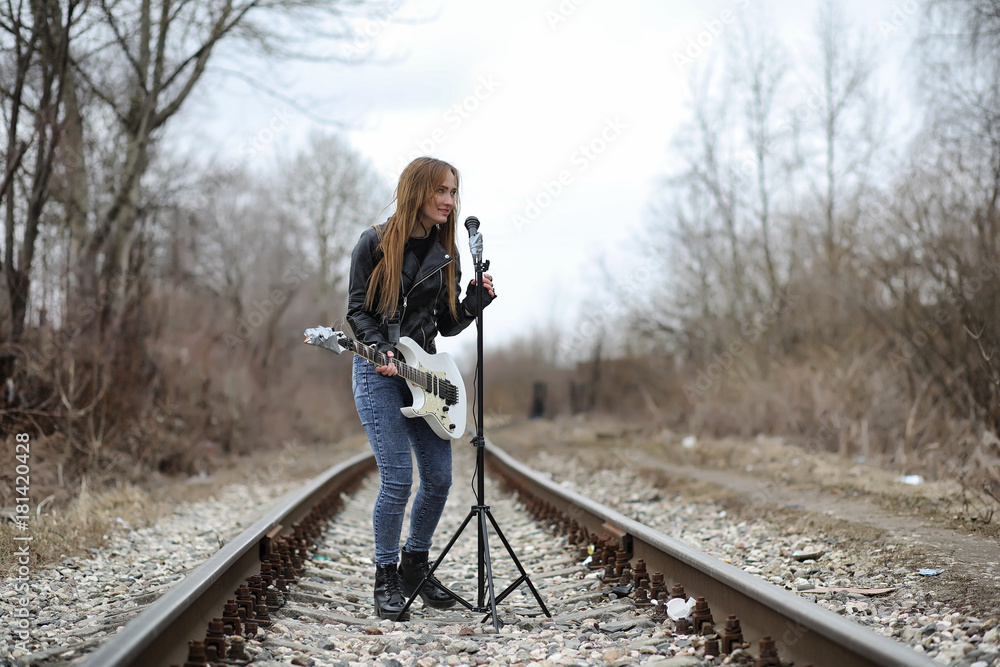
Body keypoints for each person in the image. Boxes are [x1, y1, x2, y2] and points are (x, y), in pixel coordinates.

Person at [346, 156, 495, 621]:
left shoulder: (444, 253)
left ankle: (415, 564)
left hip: (427, 376)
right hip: (379, 373)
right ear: (418, 191)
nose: (450, 201)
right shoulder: (373, 243)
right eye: (442, 192)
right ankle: (385, 576)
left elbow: (446, 325)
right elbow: (356, 310)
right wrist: (380, 348)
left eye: (454, 192)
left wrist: (475, 300)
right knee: (398, 479)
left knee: (440, 480)